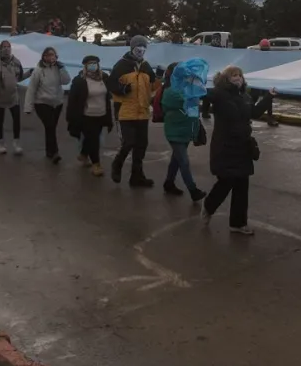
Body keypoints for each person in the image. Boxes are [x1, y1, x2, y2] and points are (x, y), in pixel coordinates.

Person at [202, 65, 275, 234]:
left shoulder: (245, 96)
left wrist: (269, 97)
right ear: (226, 79)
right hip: (225, 146)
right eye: (234, 75)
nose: (238, 78)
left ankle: (238, 223)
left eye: (240, 75)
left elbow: (254, 113)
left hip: (243, 146)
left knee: (242, 185)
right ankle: (208, 206)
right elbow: (205, 93)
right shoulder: (220, 94)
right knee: (226, 181)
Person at [107, 35, 159, 187]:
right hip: (125, 111)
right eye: (138, 47)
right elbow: (111, 84)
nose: (141, 50)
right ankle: (117, 164)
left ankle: (137, 176)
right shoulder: (121, 65)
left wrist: (160, 78)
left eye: (143, 47)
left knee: (141, 145)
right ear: (132, 48)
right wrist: (122, 89)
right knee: (128, 142)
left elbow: (153, 86)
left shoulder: (146, 66)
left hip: (142, 111)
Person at [161, 59, 210, 202]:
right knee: (184, 161)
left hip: (186, 130)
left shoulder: (188, 88)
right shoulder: (170, 91)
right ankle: (193, 190)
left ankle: (169, 183)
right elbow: (188, 101)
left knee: (176, 159)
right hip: (174, 132)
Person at [67, 55, 113, 177]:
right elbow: (73, 100)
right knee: (94, 140)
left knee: (91, 138)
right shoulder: (80, 80)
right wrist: (71, 117)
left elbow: (109, 94)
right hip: (87, 115)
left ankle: (83, 153)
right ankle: (96, 164)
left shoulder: (104, 78)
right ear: (85, 66)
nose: (93, 65)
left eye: (95, 63)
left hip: (101, 114)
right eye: (90, 63)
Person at [24, 47, 70, 162]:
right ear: (44, 57)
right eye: (48, 55)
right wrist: (28, 107)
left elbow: (66, 81)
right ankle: (55, 152)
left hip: (57, 103)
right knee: (49, 126)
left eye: (53, 55)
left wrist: (62, 69)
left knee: (51, 128)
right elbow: (31, 89)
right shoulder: (39, 70)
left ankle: (49, 151)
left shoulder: (58, 68)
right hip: (42, 103)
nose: (51, 57)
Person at [0, 40, 24, 155]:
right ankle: (0, 143)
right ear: (0, 48)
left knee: (17, 119)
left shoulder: (16, 62)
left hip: (13, 97)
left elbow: (19, 78)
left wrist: (30, 73)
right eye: (4, 47)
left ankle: (16, 143)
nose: (7, 49)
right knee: (0, 120)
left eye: (8, 47)